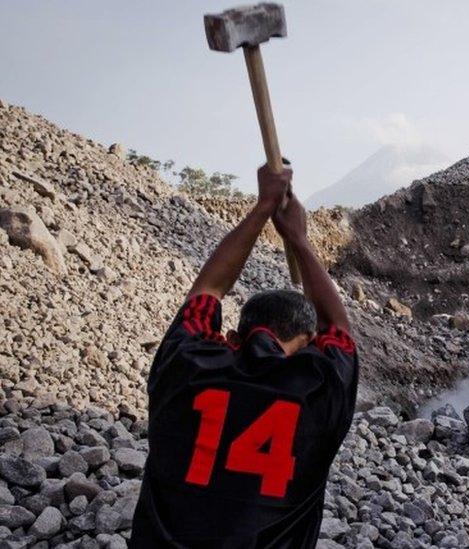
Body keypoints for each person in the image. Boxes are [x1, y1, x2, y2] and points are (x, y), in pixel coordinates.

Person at [130, 165, 358, 548]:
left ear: (234, 335)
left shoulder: (189, 364)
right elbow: (339, 327)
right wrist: (299, 239)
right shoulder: (321, 391)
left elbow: (209, 288)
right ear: (307, 342)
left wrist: (262, 208)